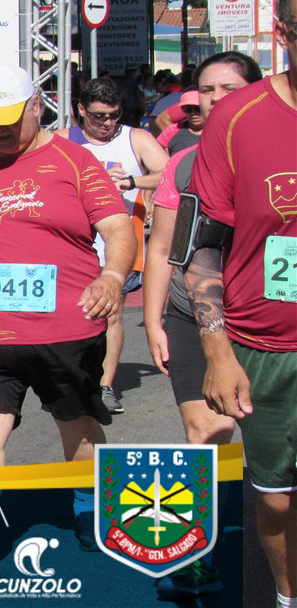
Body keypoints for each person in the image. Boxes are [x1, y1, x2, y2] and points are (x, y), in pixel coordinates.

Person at [0, 65, 135, 587]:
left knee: (78, 426)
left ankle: (88, 508)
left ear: (36, 107)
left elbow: (117, 226)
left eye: (9, 118)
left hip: (66, 331)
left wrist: (113, 276)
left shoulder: (75, 160)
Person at [184, 0, 296, 608]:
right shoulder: (237, 118)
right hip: (267, 345)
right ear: (282, 36)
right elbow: (203, 245)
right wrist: (217, 349)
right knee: (277, 499)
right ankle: (286, 595)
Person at [143, 50, 262, 599]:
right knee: (206, 432)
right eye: (206, 90)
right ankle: (195, 555)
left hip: (265, 321)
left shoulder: (280, 149)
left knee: (274, 446)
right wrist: (153, 320)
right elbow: (162, 247)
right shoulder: (183, 164)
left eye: (228, 89)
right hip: (192, 315)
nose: (214, 100)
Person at [56, 77, 169, 414]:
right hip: (73, 244)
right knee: (72, 311)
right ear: (81, 110)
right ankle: (74, 379)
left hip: (119, 242)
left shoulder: (136, 138)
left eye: (114, 115)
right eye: (98, 116)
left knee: (112, 310)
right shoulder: (64, 140)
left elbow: (170, 173)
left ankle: (105, 386)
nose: (107, 123)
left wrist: (133, 181)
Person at [156, 89, 202, 157]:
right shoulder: (171, 132)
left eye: (197, 108)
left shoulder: (217, 130)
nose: (193, 113)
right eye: (188, 109)